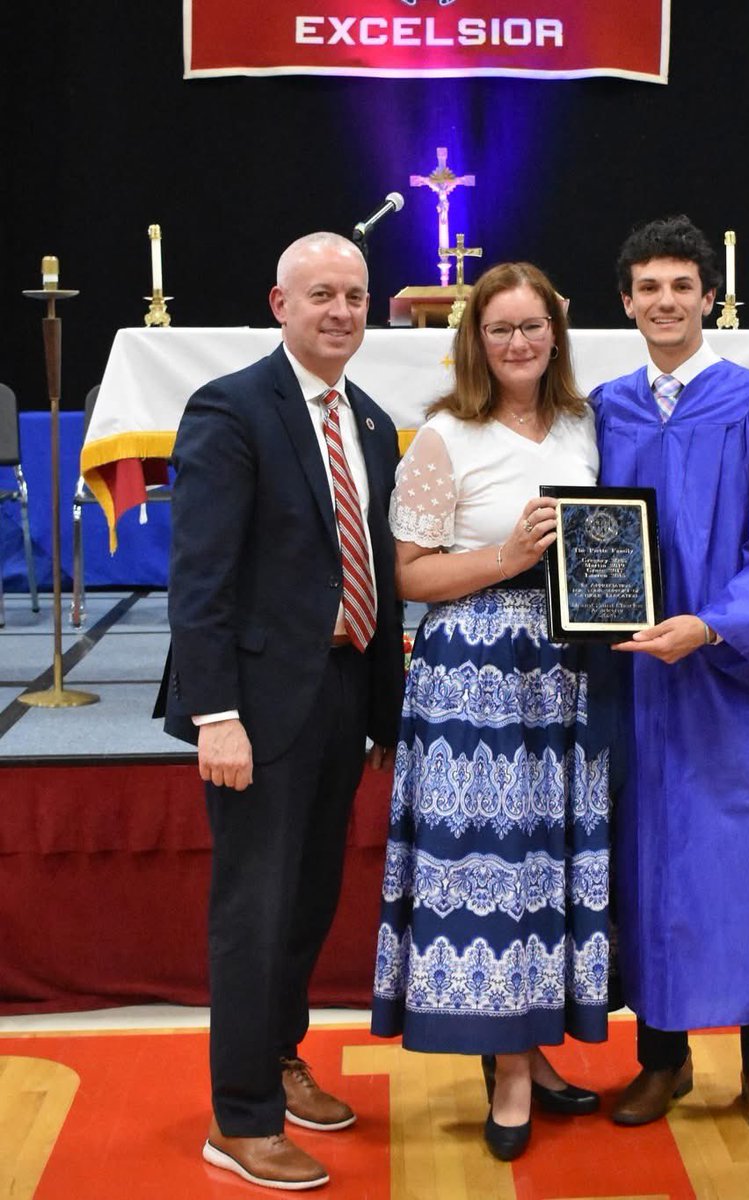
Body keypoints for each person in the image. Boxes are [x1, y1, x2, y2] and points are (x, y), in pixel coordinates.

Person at [159, 232, 402, 1191]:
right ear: (279, 305)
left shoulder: (373, 422)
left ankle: (282, 1056)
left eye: (355, 295)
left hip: (341, 695)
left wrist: (383, 710)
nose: (341, 311)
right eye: (322, 296)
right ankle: (241, 1116)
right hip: (255, 709)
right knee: (252, 913)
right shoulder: (231, 408)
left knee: (306, 900)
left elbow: (373, 571)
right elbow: (201, 578)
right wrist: (216, 713)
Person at [591, 215, 749, 1138]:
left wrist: (712, 625)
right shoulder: (603, 409)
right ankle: (663, 1059)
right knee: (649, 862)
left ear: (707, 299)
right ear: (626, 302)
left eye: (680, 287)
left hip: (737, 683)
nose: (664, 302)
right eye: (647, 288)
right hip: (640, 683)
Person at [371, 262, 610, 1162]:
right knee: (494, 867)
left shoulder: (585, 424)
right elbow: (409, 574)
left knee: (548, 863)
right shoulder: (444, 436)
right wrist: (509, 556)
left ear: (556, 332)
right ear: (476, 340)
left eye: (532, 326)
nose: (518, 343)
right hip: (473, 677)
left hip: (564, 671)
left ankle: (534, 1044)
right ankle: (508, 1069)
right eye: (499, 328)